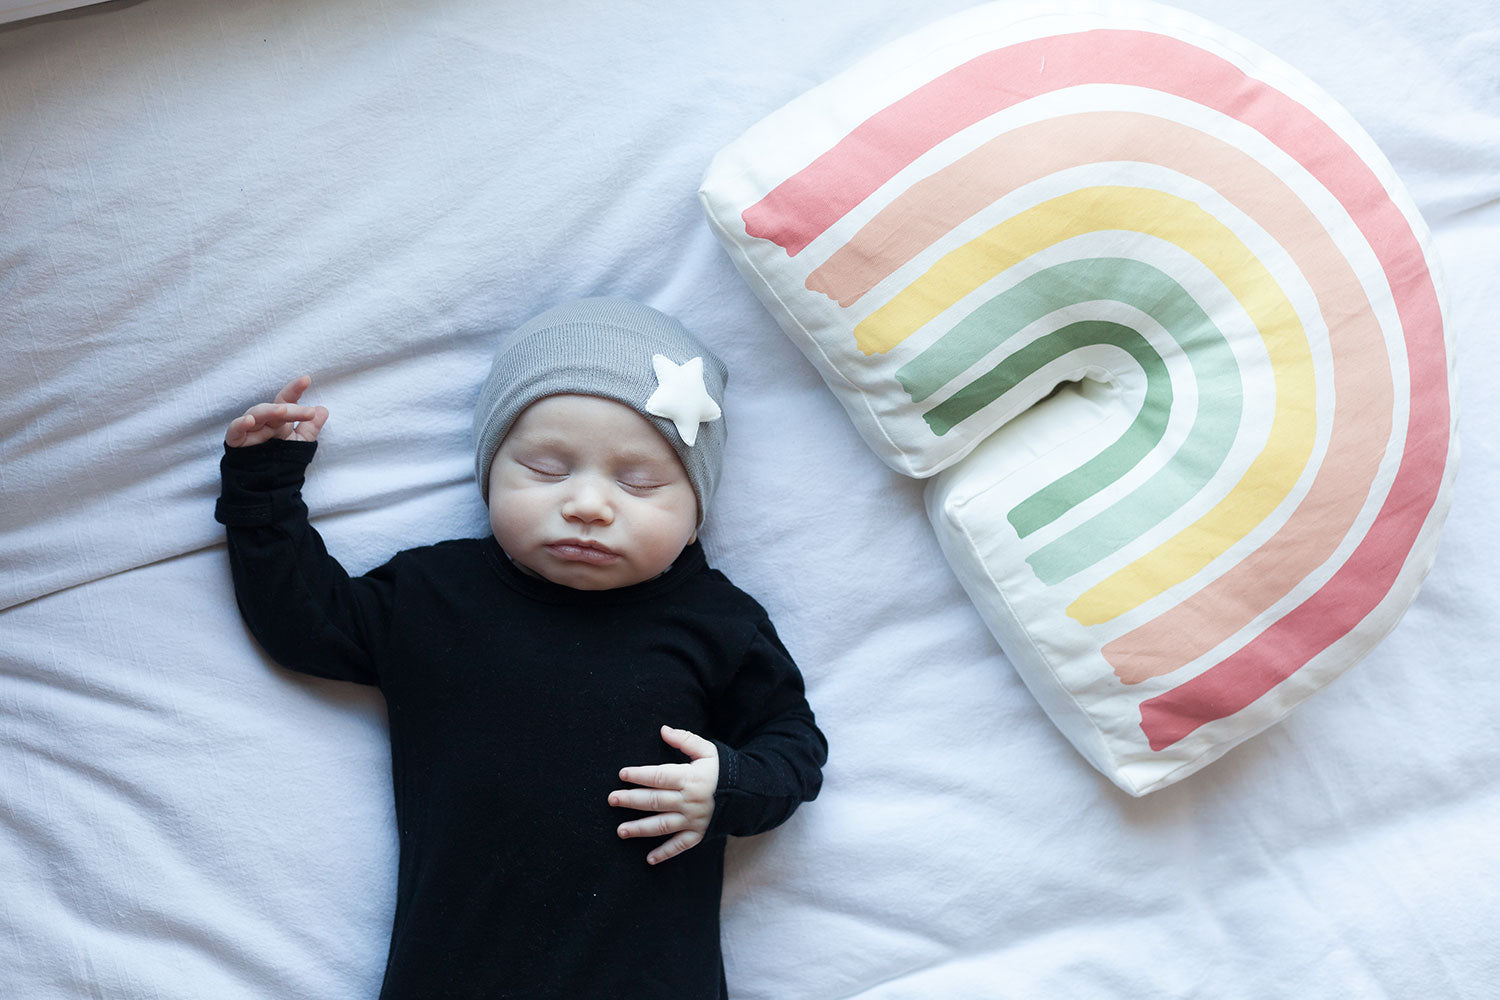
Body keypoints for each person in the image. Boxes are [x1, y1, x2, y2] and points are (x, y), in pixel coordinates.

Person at [214, 297, 827, 999]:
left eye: (638, 482)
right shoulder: (437, 596)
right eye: (547, 469)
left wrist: (729, 784)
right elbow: (305, 623)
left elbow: (794, 745)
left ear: (696, 513)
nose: (589, 505)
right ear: (489, 473)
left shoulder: (718, 625)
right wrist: (264, 489)